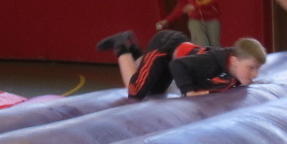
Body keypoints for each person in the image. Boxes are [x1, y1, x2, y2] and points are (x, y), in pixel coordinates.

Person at [96, 28, 267, 98]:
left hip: (177, 51)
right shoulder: (212, 63)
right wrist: (188, 92)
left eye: (257, 69)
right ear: (235, 61)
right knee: (135, 91)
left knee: (155, 91)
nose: (255, 74)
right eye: (251, 68)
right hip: (165, 46)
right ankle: (121, 46)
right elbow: (177, 66)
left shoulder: (233, 64)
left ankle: (134, 51)